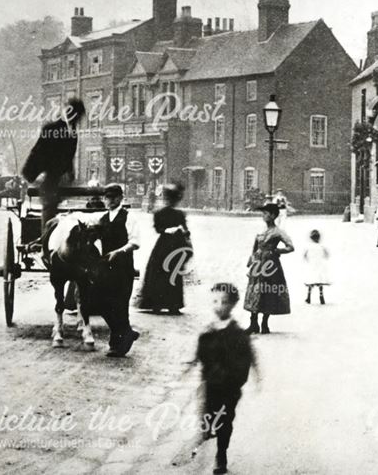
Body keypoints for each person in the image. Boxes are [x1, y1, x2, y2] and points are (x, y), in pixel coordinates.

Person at [179, 283, 259, 475]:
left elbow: (250, 356)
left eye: (224, 302)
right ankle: (208, 429)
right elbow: (200, 351)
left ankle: (221, 455)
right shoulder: (208, 331)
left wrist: (257, 376)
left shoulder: (238, 334)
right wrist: (190, 365)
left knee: (225, 420)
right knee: (207, 415)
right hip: (210, 384)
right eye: (215, 301)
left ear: (233, 304)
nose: (219, 305)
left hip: (230, 387)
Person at [21, 97, 86, 253]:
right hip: (49, 177)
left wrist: (70, 173)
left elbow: (68, 157)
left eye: (78, 117)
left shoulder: (73, 132)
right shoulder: (51, 129)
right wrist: (34, 175)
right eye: (74, 115)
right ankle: (46, 244)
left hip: (62, 178)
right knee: (49, 207)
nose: (76, 119)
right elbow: (38, 152)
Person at [96, 183, 141, 357]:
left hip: (123, 267)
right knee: (101, 303)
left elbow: (135, 242)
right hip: (106, 267)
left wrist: (119, 252)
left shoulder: (129, 217)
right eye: (107, 197)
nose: (110, 201)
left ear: (121, 198)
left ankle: (118, 345)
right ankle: (127, 332)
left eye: (113, 197)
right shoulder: (102, 219)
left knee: (120, 305)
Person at [137, 182, 192, 314]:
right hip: (166, 246)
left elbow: (185, 231)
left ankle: (169, 304)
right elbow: (158, 228)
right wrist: (169, 230)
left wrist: (182, 231)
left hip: (171, 246)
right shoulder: (160, 213)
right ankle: (162, 304)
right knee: (163, 272)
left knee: (169, 273)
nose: (170, 201)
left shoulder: (178, 214)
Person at [244, 202, 294, 334]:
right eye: (263, 213)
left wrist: (277, 251)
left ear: (273, 216)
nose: (263, 216)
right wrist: (251, 260)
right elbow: (255, 248)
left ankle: (264, 323)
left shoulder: (278, 232)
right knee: (255, 290)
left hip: (270, 265)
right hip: (258, 264)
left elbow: (291, 247)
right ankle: (253, 323)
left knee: (268, 291)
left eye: (265, 214)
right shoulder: (262, 232)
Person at [303, 229, 330, 305]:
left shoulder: (308, 247)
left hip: (312, 265)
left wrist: (308, 260)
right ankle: (321, 296)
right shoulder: (322, 246)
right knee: (320, 281)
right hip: (320, 264)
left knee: (311, 280)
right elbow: (327, 255)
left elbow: (304, 256)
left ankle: (308, 297)